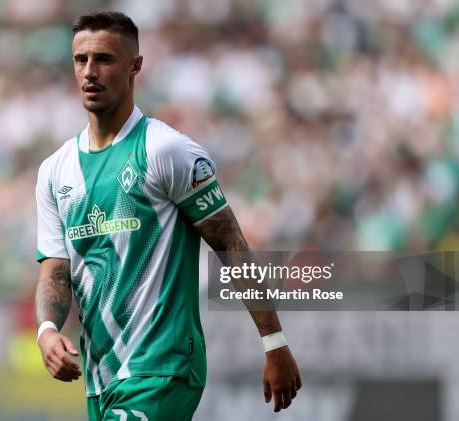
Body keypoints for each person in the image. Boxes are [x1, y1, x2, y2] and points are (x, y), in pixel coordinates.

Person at [34, 11, 301, 420]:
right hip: (101, 379)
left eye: (104, 59)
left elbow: (231, 245)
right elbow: (55, 271)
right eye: (80, 59)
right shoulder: (55, 171)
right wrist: (47, 331)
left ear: (135, 66)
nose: (90, 72)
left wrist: (274, 342)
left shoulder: (167, 152)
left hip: (163, 366)